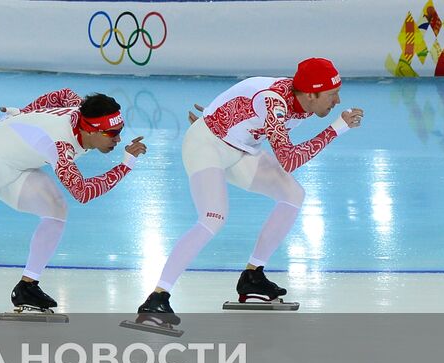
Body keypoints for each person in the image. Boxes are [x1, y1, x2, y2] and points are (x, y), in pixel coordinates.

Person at [131, 57, 363, 332]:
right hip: (206, 145)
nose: (337, 101)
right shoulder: (274, 101)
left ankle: (252, 276)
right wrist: (338, 128)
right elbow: (288, 159)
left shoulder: (304, 104)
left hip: (240, 149)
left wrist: (218, 115)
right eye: (332, 94)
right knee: (213, 217)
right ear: (311, 93)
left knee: (293, 194)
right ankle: (156, 298)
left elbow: (241, 102)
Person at [0, 88, 145, 340]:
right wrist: (126, 163)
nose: (118, 140)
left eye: (120, 130)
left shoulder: (80, 109)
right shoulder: (60, 146)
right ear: (91, 130)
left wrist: (23, 113)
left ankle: (27, 288)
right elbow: (83, 192)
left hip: (17, 168)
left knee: (56, 209)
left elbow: (63, 94)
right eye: (113, 133)